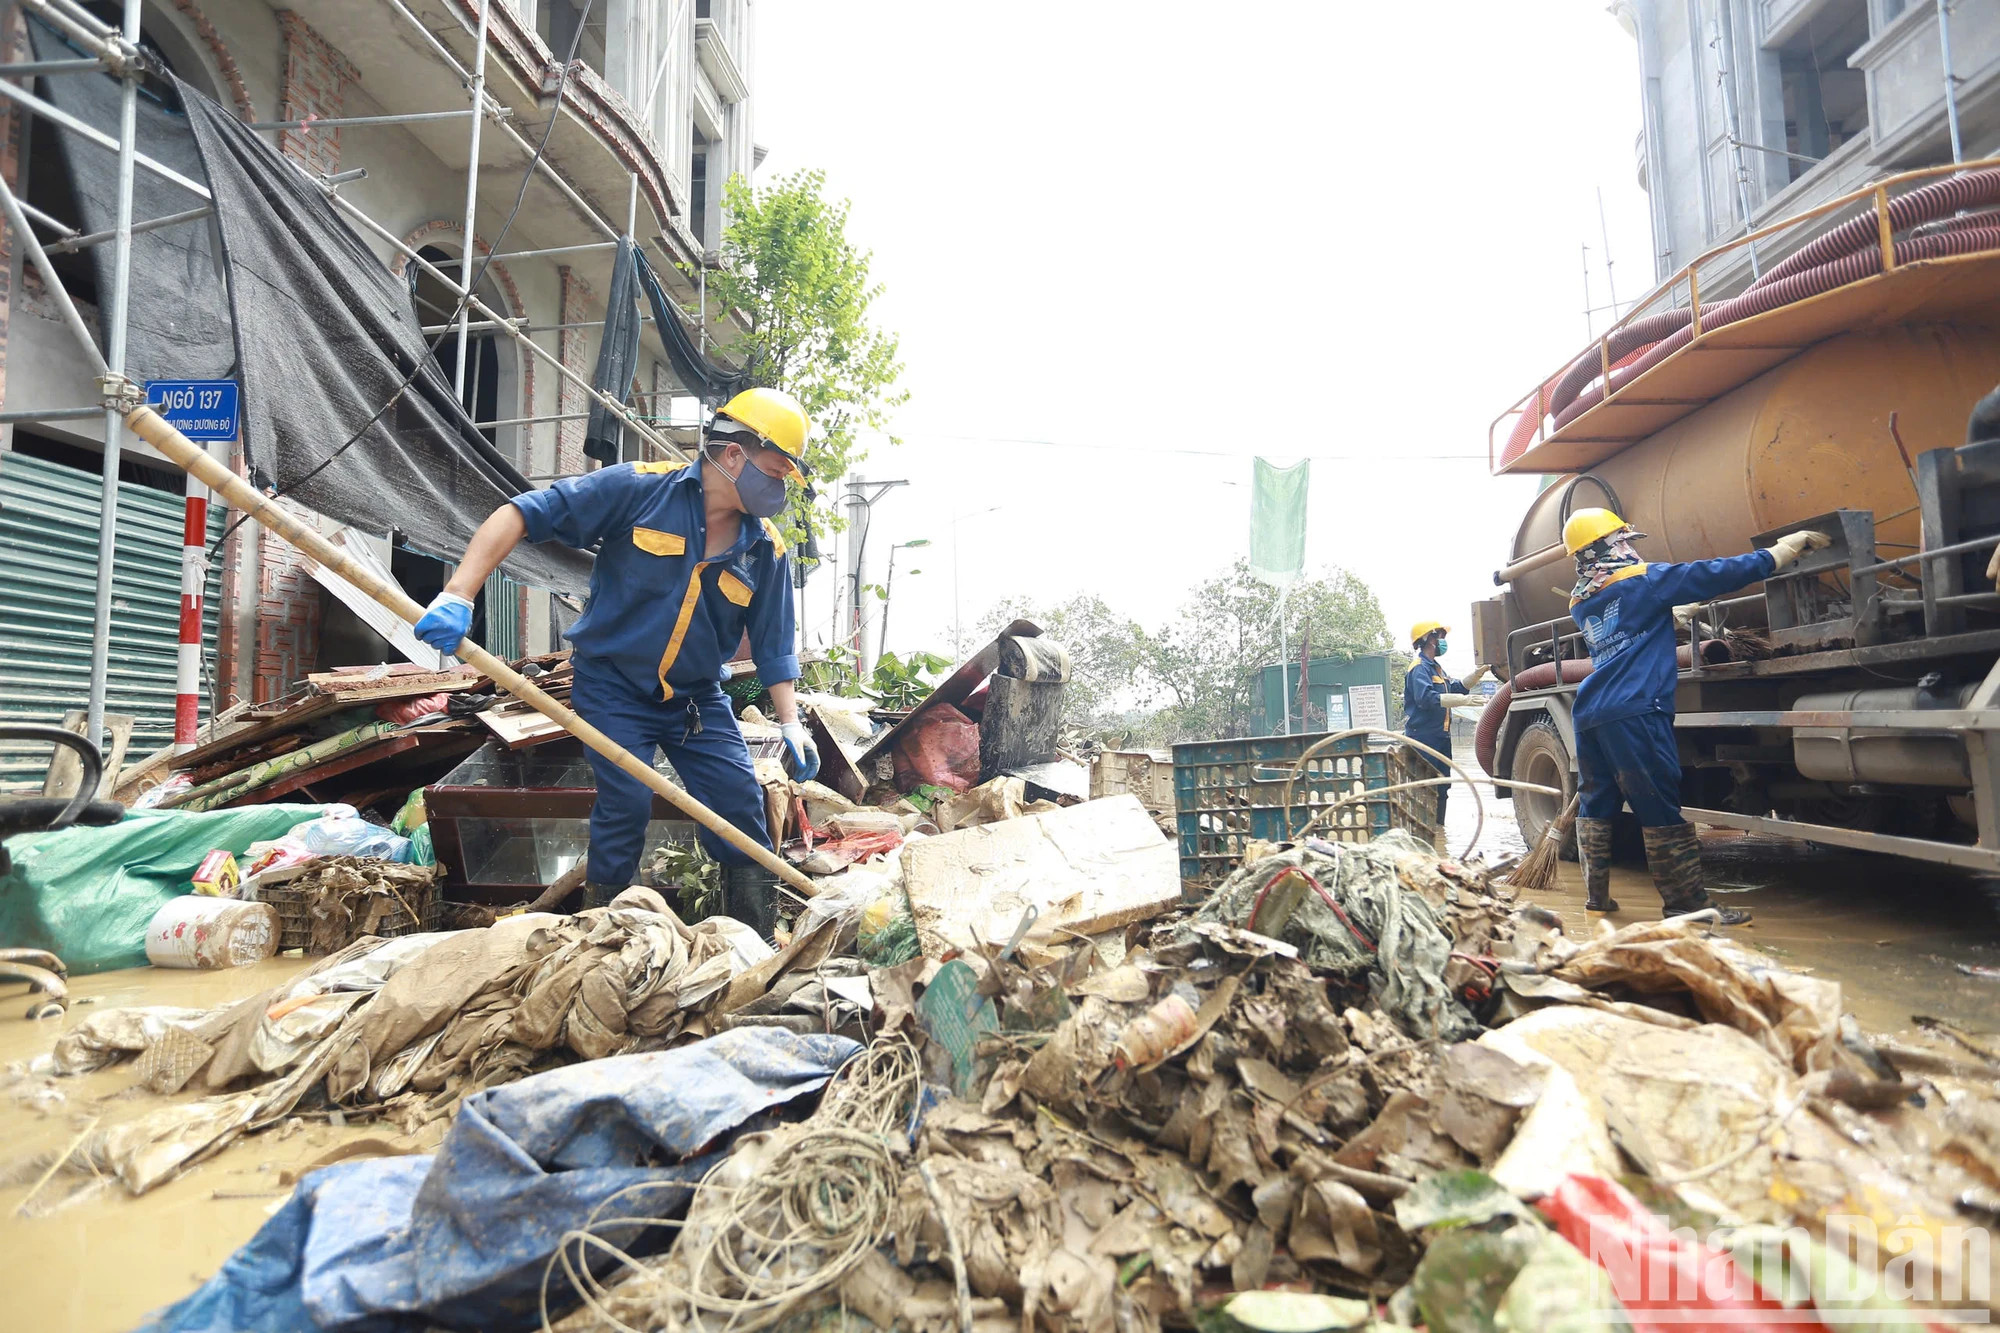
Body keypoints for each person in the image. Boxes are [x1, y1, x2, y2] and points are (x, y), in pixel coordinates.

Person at [411, 386, 822, 936]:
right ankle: (598, 935)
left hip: (694, 701)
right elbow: (520, 514)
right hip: (612, 688)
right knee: (626, 801)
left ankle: (748, 943)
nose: (778, 489)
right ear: (733, 456)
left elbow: (774, 646)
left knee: (740, 809)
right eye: (774, 473)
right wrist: (460, 592)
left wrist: (790, 723)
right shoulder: (637, 489)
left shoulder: (764, 550)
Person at [1563, 506, 1828, 924]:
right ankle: (1688, 905)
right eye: (1625, 541)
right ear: (1610, 545)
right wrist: (1778, 553)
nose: (1630, 548)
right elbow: (1715, 573)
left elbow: (1625, 626)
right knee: (1660, 806)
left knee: (1596, 803)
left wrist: (1666, 615)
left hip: (1592, 709)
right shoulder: (1644, 581)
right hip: (1635, 709)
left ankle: (1597, 898)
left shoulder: (1583, 598)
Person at [1402, 621, 1488, 830]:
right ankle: (1421, 829)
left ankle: (1438, 831)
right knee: (1425, 786)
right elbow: (1426, 699)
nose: (1443, 642)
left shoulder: (1436, 668)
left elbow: (1454, 687)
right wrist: (1463, 701)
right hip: (1423, 738)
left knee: (1442, 786)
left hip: (1441, 736)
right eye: (1440, 637)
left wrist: (1476, 676)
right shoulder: (1418, 669)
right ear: (1429, 639)